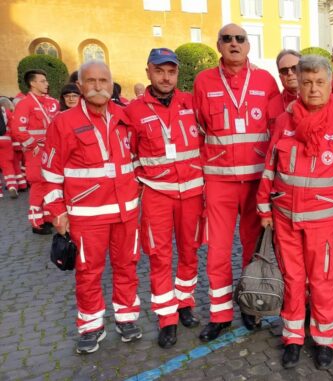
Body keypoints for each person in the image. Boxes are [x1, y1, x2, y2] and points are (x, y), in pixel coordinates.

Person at [256, 55, 333, 370]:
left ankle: (325, 339)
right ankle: (292, 338)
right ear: (297, 85)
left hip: (324, 225)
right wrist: (265, 208)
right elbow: (270, 169)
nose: (313, 89)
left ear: (331, 85)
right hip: (286, 221)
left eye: (319, 83)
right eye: (306, 83)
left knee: (323, 281)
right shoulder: (284, 123)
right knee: (292, 279)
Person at [42, 61, 142, 354]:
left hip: (125, 212)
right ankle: (90, 326)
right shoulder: (63, 122)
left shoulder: (124, 117)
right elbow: (49, 175)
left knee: (127, 267)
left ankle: (126, 318)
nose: (98, 86)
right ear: (80, 85)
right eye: (91, 81)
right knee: (88, 272)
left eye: (104, 80)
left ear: (112, 85)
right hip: (87, 216)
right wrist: (57, 213)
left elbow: (135, 158)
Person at [193, 23, 283, 341]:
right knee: (217, 249)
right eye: (227, 38)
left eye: (240, 39)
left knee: (252, 248)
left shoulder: (265, 80)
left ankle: (249, 304)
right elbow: (200, 128)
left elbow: (275, 131)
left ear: (248, 46)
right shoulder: (203, 82)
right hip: (219, 182)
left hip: (256, 181)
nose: (234, 43)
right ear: (218, 45)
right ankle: (219, 314)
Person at [125, 48, 204, 348]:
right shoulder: (133, 111)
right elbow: (129, 154)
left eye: (171, 71)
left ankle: (184, 303)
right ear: (148, 72)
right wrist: (142, 186)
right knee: (159, 257)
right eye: (159, 71)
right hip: (158, 195)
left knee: (189, 251)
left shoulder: (191, 103)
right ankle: (166, 317)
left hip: (193, 193)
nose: (166, 76)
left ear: (177, 74)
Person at [9, 69, 59, 234]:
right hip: (35, 152)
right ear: (32, 83)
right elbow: (18, 129)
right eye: (43, 81)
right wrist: (33, 145)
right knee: (38, 185)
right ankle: (36, 222)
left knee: (48, 183)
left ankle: (47, 217)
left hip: (49, 151)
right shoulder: (25, 103)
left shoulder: (46, 102)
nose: (47, 84)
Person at [0, 97, 17, 199]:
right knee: (7, 166)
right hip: (5, 140)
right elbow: (13, 126)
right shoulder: (5, 111)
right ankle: (12, 186)